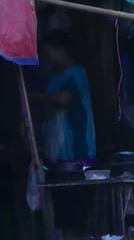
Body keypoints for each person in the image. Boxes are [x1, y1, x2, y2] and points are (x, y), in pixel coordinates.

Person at [29, 29, 96, 165]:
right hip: (57, 148)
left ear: (63, 50)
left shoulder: (77, 73)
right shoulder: (54, 77)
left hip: (77, 149)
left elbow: (62, 99)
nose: (47, 58)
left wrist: (32, 97)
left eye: (49, 53)